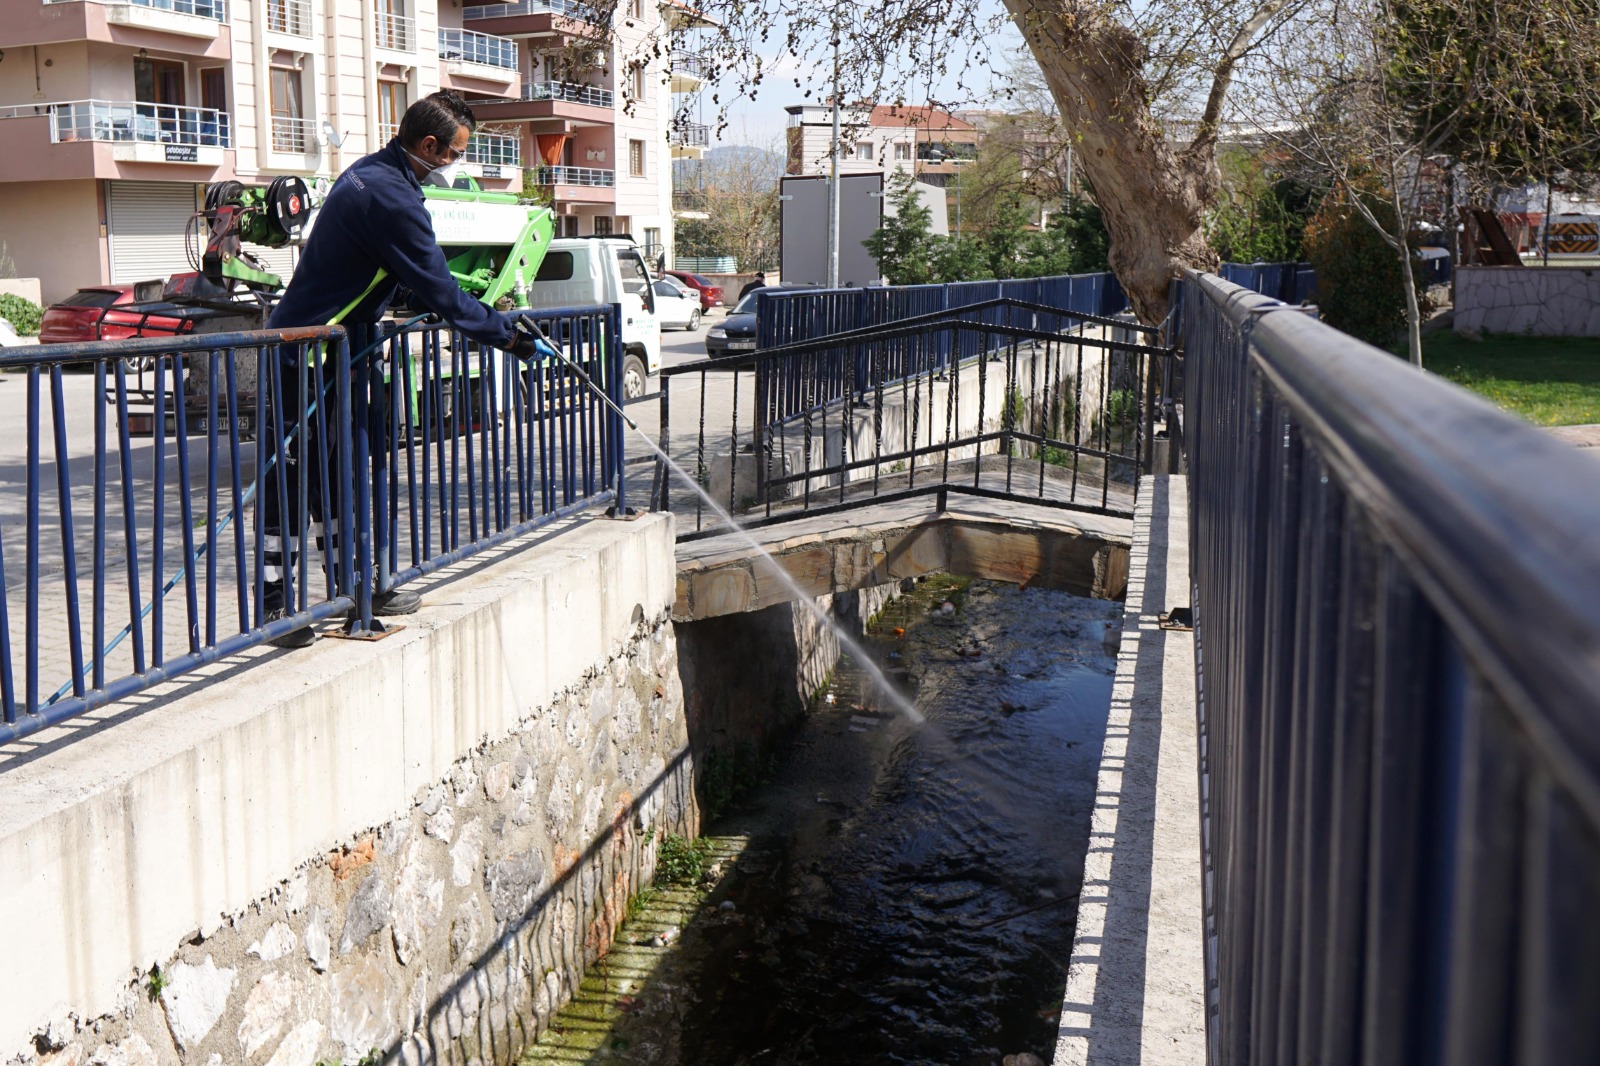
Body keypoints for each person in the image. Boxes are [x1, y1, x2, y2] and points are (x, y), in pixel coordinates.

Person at [261, 90, 543, 648]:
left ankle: (356, 593)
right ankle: (277, 609)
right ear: (430, 145)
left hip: (338, 348)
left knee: (339, 476)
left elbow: (397, 271)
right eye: (454, 154)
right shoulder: (393, 199)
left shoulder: (373, 171)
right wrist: (507, 336)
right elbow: (441, 292)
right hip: (304, 351)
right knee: (293, 483)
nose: (455, 165)